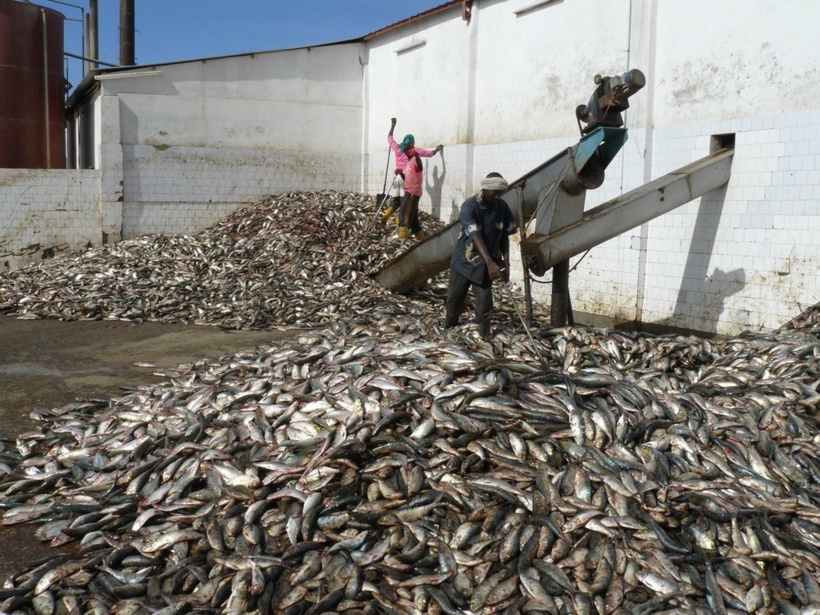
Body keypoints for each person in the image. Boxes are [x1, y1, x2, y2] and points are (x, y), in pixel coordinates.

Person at [444, 172, 517, 340]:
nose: (498, 195)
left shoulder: (502, 207)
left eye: (501, 192)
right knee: (454, 300)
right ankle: (449, 329)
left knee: (485, 304)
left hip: (484, 267)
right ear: (485, 189)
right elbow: (475, 236)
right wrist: (491, 262)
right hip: (464, 261)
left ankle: (485, 336)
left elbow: (505, 236)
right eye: (494, 191)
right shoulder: (469, 206)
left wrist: (506, 265)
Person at [379, 118, 442, 236]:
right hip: (405, 179)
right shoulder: (415, 150)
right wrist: (437, 150)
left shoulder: (398, 148)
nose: (407, 151)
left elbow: (389, 138)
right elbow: (429, 154)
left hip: (397, 178)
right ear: (412, 144)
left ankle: (390, 217)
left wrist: (393, 125)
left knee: (397, 202)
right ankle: (401, 225)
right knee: (404, 206)